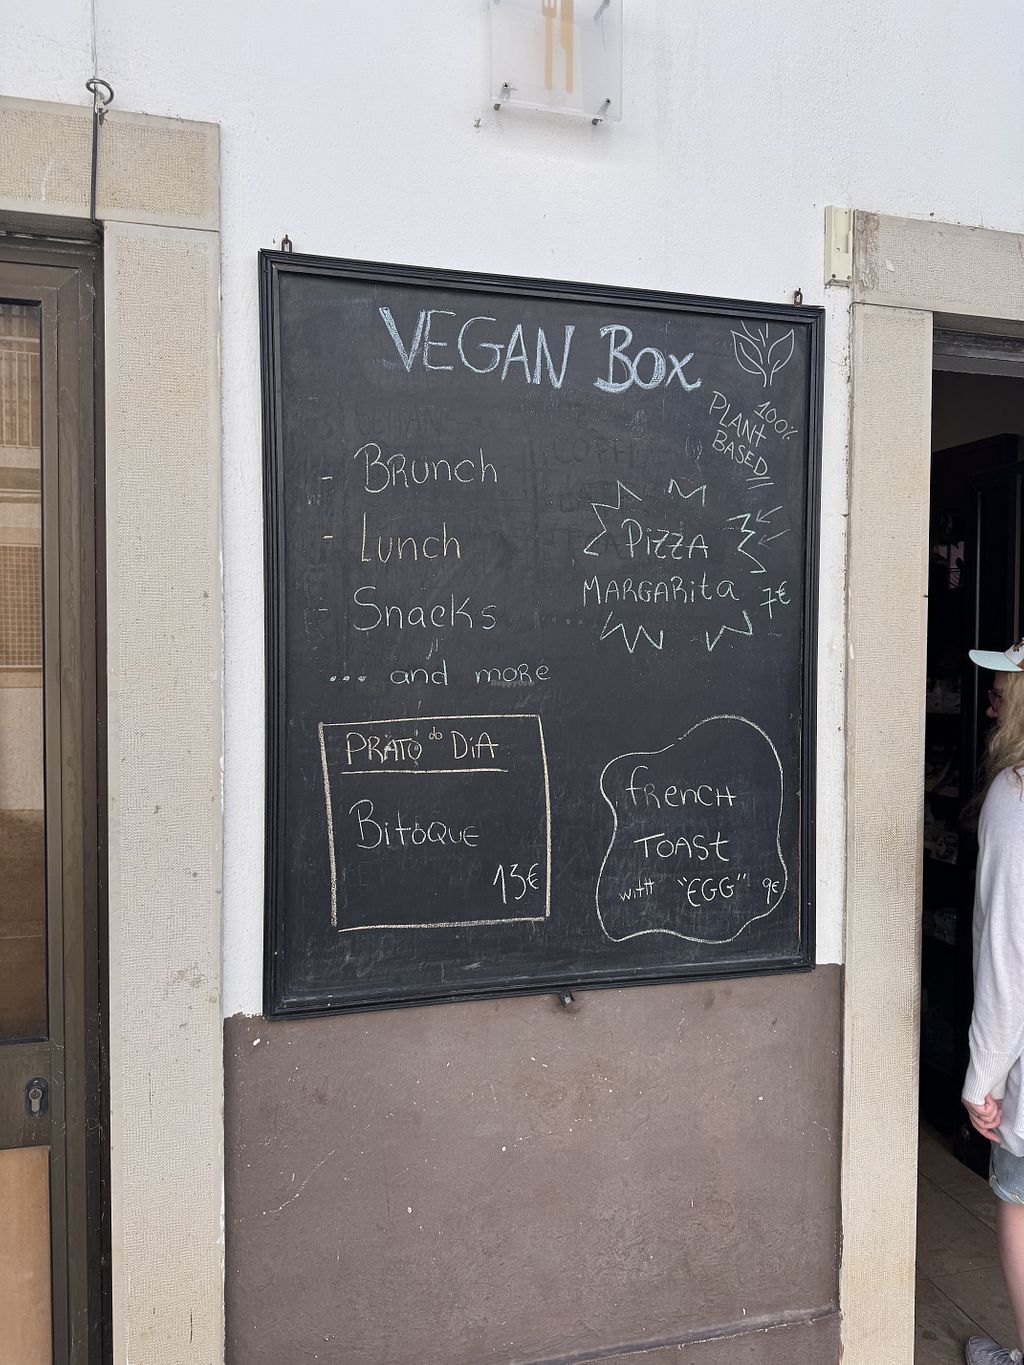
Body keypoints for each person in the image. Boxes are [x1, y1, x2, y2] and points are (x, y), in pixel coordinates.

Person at [962, 637, 1024, 1365]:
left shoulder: (1015, 795)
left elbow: (1008, 950)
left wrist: (984, 1074)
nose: (991, 699)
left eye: (1004, 686)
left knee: (1019, 1204)